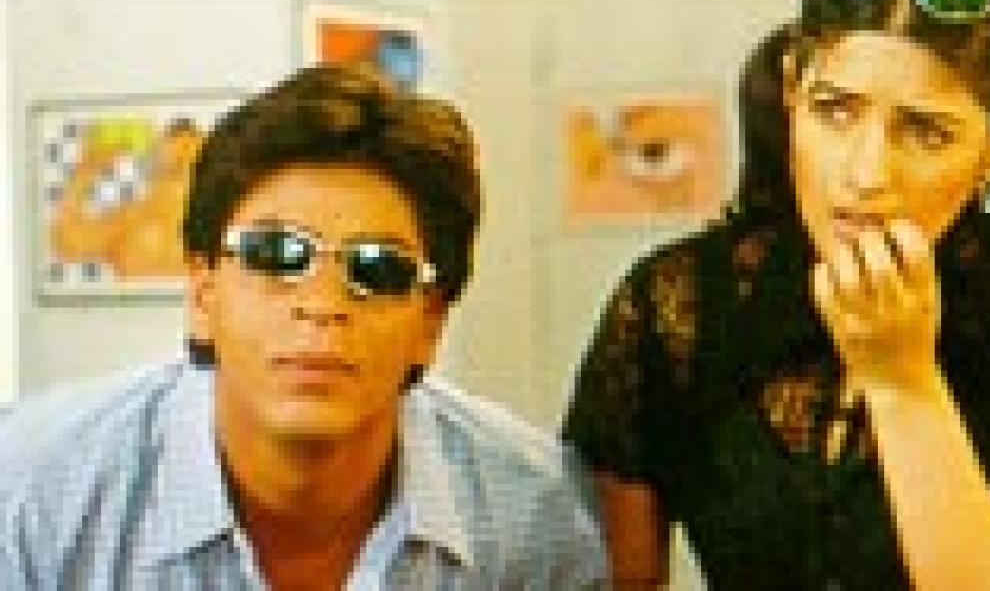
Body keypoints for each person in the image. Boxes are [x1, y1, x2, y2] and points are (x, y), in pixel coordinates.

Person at [562, 0, 990, 589]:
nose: (866, 173)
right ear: (792, 89)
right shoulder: (675, 301)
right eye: (835, 111)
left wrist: (904, 382)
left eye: (925, 131)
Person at [1, 64, 607, 589]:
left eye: (378, 268)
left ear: (430, 320)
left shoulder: (536, 514)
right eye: (274, 254)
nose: (321, 304)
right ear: (203, 293)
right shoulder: (32, 493)